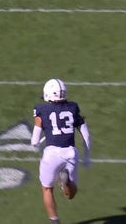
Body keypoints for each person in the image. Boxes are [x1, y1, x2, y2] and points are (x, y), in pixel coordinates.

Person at [30, 78, 92, 224]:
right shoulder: (73, 107)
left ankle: (55, 221)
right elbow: (86, 135)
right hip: (71, 152)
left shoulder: (41, 110)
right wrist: (87, 155)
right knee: (70, 194)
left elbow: (34, 142)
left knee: (47, 189)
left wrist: (36, 145)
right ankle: (67, 182)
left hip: (51, 154)